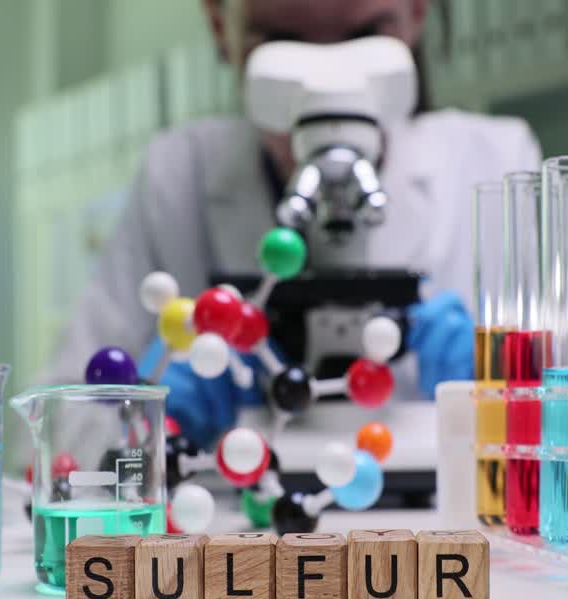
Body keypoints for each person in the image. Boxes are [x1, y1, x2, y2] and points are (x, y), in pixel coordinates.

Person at [39, 0, 541, 448]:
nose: (327, 83)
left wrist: (515, 399)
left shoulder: (496, 164)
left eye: (365, 35)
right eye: (281, 42)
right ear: (221, 26)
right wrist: (141, 416)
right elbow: (56, 436)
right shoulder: (176, 176)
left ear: (416, 11)